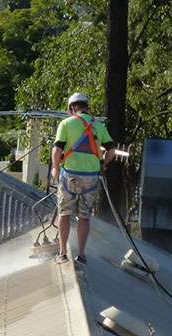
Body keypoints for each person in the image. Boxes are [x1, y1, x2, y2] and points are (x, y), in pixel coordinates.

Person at [51, 92, 115, 265]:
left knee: (64, 214)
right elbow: (111, 151)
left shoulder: (66, 123)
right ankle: (81, 255)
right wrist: (102, 164)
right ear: (86, 107)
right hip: (91, 178)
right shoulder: (99, 125)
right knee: (84, 217)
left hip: (69, 176)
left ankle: (63, 253)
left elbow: (57, 150)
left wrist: (56, 169)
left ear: (72, 108)